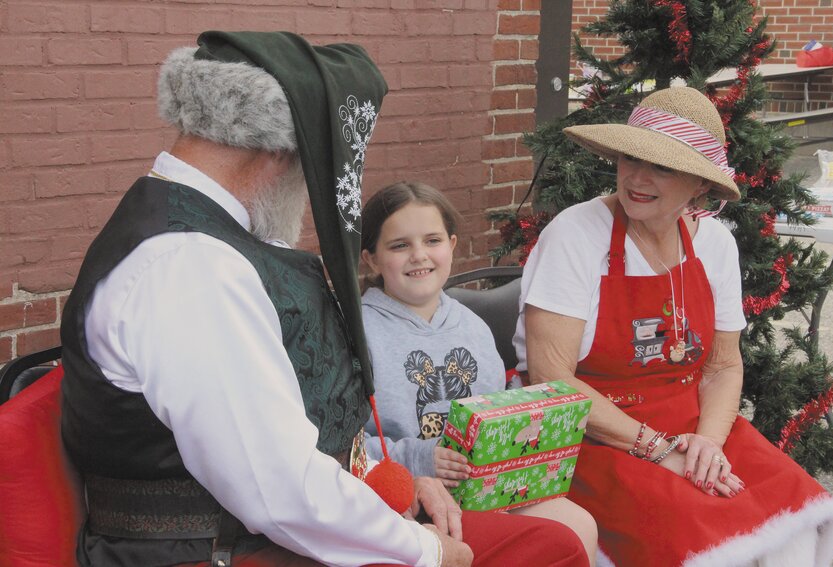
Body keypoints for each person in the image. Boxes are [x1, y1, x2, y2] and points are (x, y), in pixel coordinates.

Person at [57, 30, 580, 567]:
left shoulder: (207, 238)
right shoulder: (192, 267)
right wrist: (424, 549)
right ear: (285, 148)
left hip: (273, 526)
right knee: (545, 550)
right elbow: (277, 488)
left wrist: (388, 481)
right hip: (222, 550)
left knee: (546, 541)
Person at [514, 86, 833, 567]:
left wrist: (707, 446)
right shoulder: (575, 233)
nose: (637, 178)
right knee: (694, 534)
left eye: (662, 167)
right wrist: (658, 449)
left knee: (791, 521)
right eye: (631, 158)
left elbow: (722, 367)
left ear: (700, 185)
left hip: (692, 422)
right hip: (591, 432)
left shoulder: (715, 243)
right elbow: (552, 380)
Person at [359, 181, 597, 566]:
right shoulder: (358, 334)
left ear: (452, 246)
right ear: (370, 259)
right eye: (399, 245)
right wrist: (420, 459)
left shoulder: (473, 326)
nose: (419, 256)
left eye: (432, 240)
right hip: (408, 501)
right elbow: (342, 449)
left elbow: (496, 406)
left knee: (577, 525)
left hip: (489, 490)